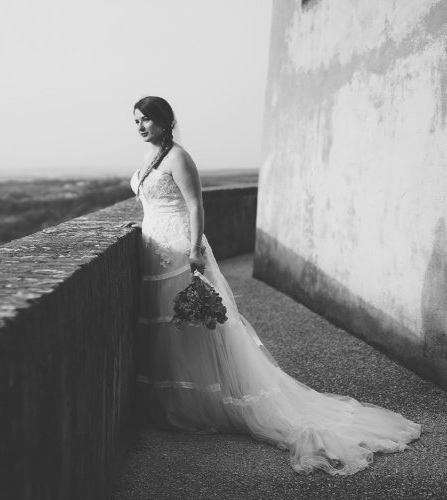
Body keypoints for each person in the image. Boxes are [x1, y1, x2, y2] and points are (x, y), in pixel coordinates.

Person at [123, 96, 420, 475]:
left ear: (165, 121)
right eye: (135, 121)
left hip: (180, 249)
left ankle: (213, 401)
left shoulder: (178, 157)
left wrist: (195, 249)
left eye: (147, 119)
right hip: (155, 248)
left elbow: (196, 205)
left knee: (197, 329)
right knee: (169, 326)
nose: (140, 126)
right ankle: (178, 401)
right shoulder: (151, 159)